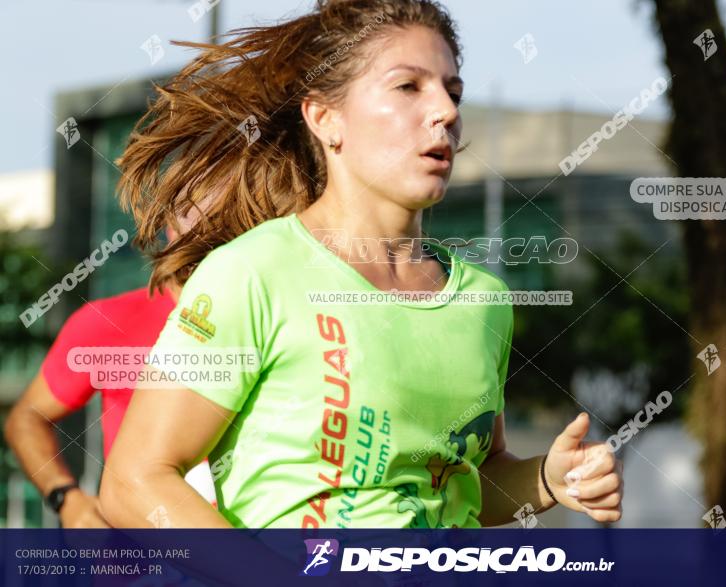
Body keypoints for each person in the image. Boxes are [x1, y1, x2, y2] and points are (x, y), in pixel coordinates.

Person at [99, 0, 623, 529]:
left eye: (454, 90)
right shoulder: (252, 274)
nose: (446, 111)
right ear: (326, 119)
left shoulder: (485, 299)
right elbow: (134, 482)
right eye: (408, 87)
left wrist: (550, 481)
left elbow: (464, 480)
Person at [4, 223, 216, 528]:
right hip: (140, 566)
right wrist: (66, 498)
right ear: (168, 222)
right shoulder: (109, 320)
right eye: (186, 207)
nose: (202, 221)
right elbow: (26, 418)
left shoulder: (275, 314)